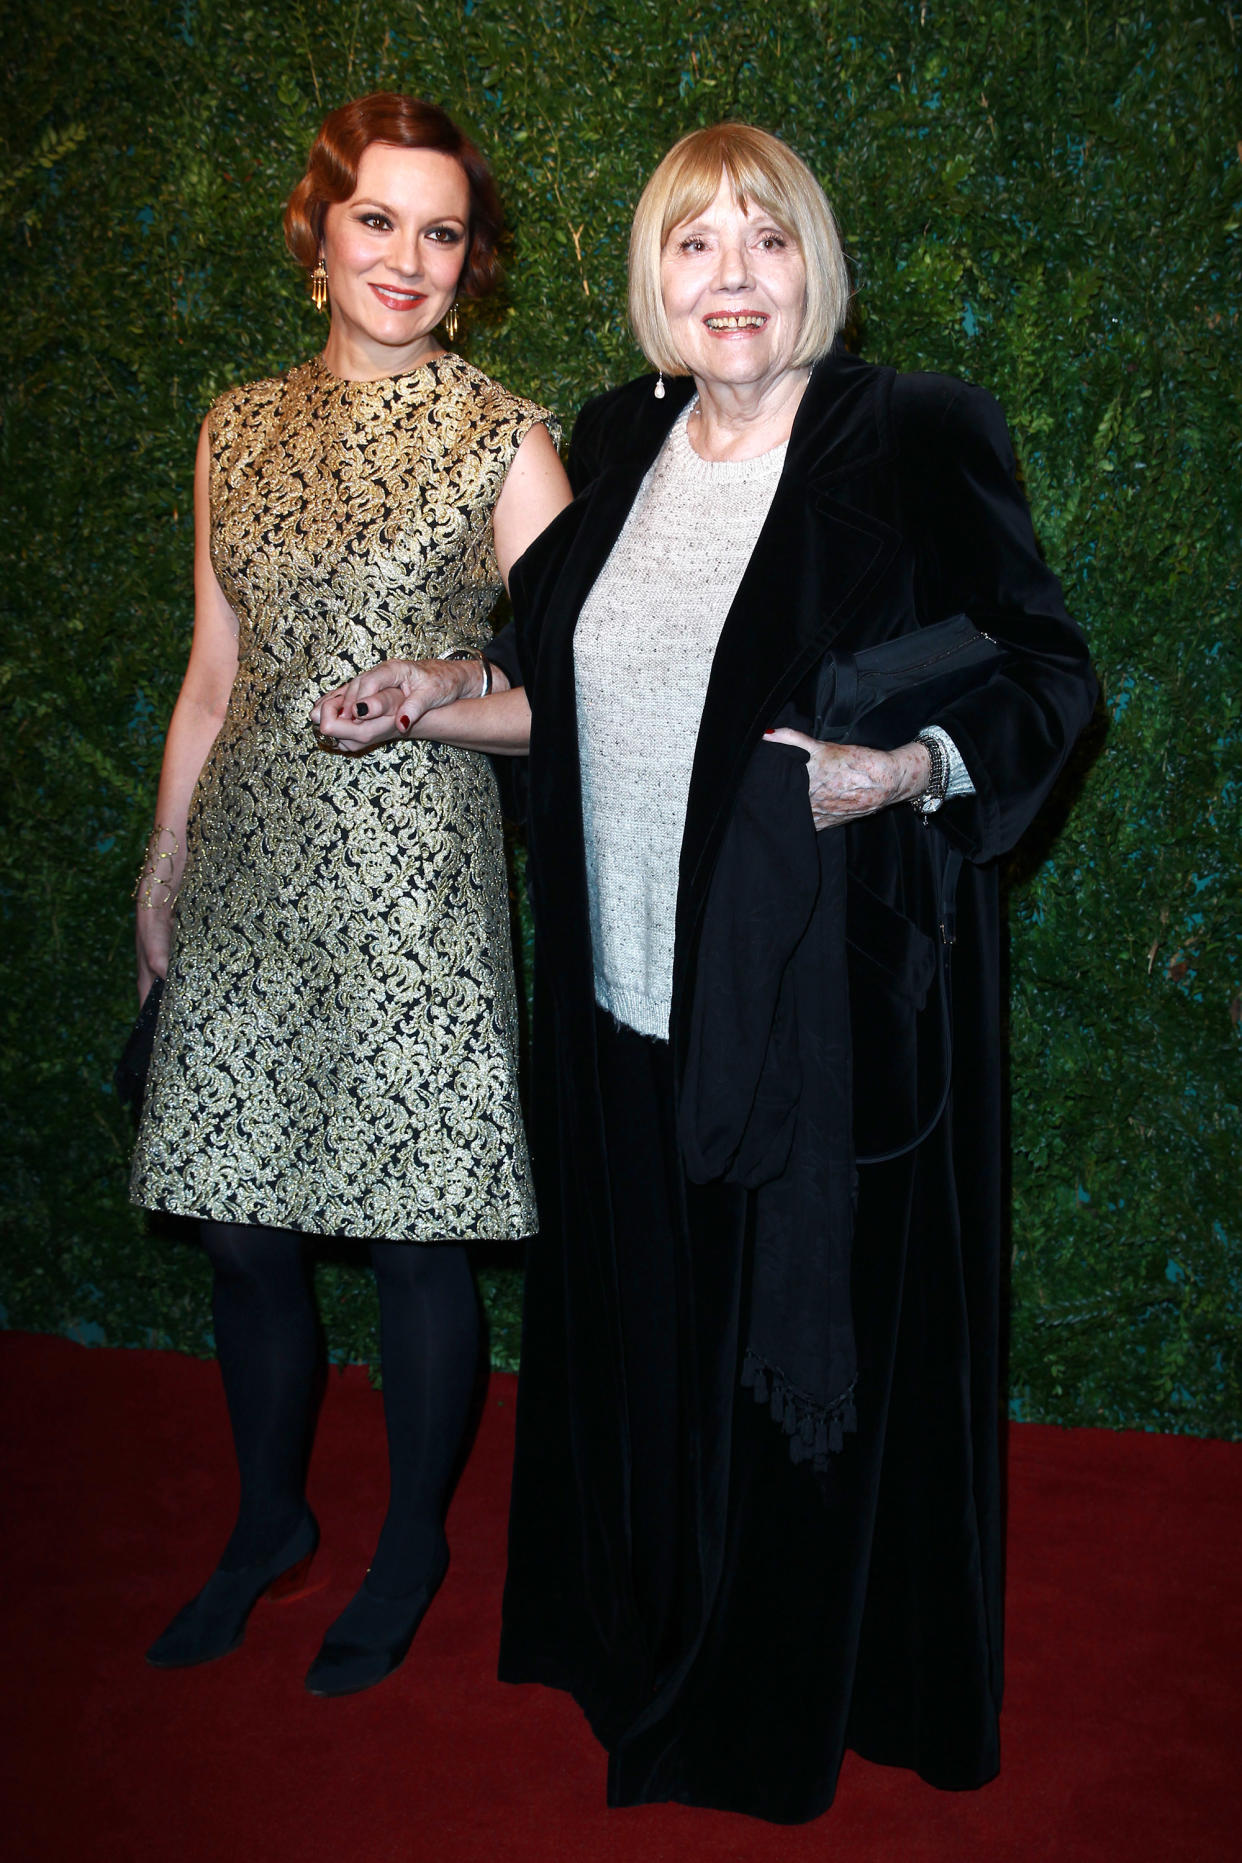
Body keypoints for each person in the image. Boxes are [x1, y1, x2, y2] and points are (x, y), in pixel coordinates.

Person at [317, 123, 1096, 1819]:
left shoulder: (914, 435)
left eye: (761, 241)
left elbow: (1045, 676)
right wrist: (428, 695)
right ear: (650, 282)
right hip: (621, 999)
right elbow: (566, 691)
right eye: (692, 247)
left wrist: (907, 773)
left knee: (787, 1361)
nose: (728, 279)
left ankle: (772, 1691)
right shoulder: (616, 438)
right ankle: (644, 1634)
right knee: (654, 1341)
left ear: (811, 260)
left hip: (817, 1013)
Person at [129, 91, 570, 1697]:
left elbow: (573, 690)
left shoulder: (500, 432)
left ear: (469, 262)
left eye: (440, 230)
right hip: (246, 863)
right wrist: (161, 868)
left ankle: (407, 1549)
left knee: (409, 1238)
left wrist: (443, 685)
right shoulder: (234, 424)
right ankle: (264, 1526)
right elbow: (210, 674)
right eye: (377, 220)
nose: (407, 257)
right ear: (316, 236)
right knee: (243, 1228)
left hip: (414, 879)